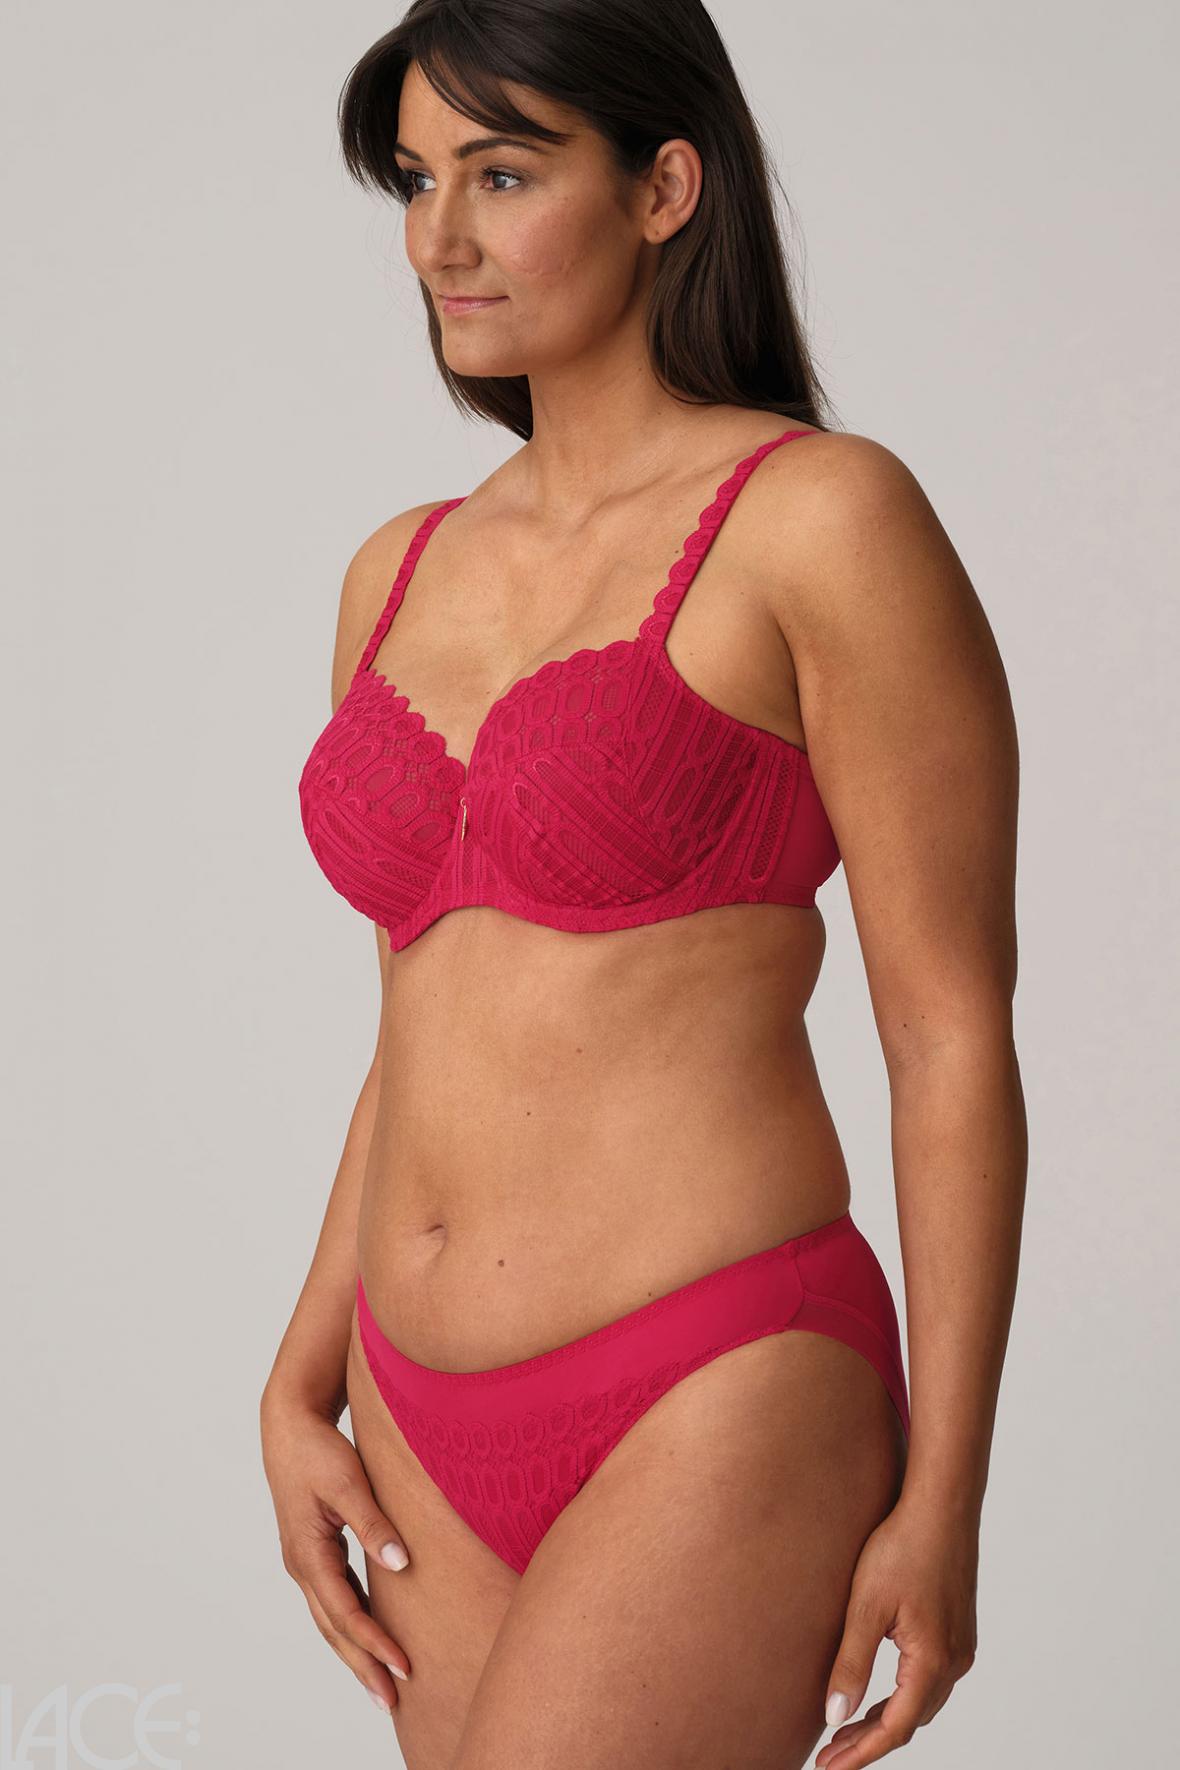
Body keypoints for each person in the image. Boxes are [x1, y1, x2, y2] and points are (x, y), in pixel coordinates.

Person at [260, 4, 1027, 1767]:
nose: (440, 241)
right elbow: (419, 1024)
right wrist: (301, 1371)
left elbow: (950, 1034)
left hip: (716, 1376)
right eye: (416, 183)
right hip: (414, 1404)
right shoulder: (397, 570)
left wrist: (949, 1496)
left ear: (666, 187)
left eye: (503, 175)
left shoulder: (822, 519)